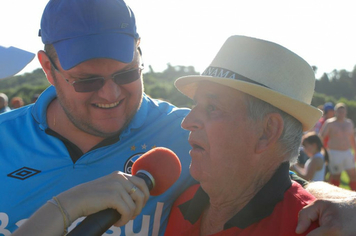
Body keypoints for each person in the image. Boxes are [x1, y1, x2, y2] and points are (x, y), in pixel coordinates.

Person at [0, 0, 195, 235]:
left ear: (139, 52)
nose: (110, 94)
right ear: (48, 68)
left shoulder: (189, 134)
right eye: (87, 81)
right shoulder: (4, 139)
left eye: (127, 73)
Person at [164, 35, 322, 235]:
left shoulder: (311, 229)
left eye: (212, 107)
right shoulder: (182, 203)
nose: (187, 122)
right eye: (196, 105)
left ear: (267, 131)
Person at [320, 102, 356, 190]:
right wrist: (324, 151)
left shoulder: (349, 123)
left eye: (343, 112)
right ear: (335, 112)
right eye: (339, 112)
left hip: (347, 152)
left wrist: (355, 151)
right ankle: (336, 197)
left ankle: (354, 195)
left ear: (345, 112)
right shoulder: (330, 123)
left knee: (353, 175)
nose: (341, 114)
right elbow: (321, 137)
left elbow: (352, 138)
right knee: (336, 176)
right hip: (334, 152)